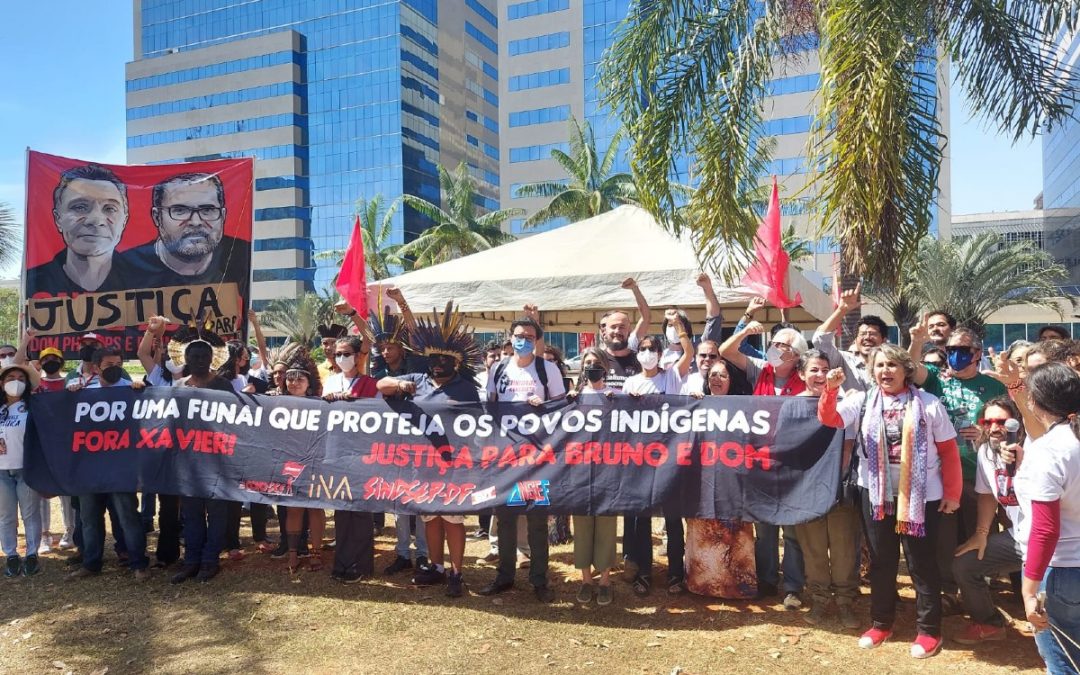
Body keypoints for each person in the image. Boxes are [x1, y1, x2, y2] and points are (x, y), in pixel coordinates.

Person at [819, 344, 962, 659]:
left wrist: (952, 493)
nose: (886, 371)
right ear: (873, 370)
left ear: (906, 370)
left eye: (893, 365)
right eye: (880, 365)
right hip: (877, 494)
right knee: (882, 562)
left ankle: (929, 631)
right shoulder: (863, 400)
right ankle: (881, 623)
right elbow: (831, 420)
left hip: (922, 497)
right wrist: (830, 390)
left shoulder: (929, 404)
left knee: (921, 564)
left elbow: (949, 452)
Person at [378, 302, 484, 597]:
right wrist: (400, 383)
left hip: (453, 463)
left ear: (457, 362)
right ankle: (436, 567)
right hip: (421, 462)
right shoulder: (417, 380)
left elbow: (475, 424)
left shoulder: (466, 388)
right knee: (430, 516)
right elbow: (381, 384)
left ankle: (456, 572)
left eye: (444, 360)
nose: (438, 363)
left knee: (452, 518)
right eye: (433, 358)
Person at [908, 318, 1007, 612]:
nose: (955, 354)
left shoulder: (992, 386)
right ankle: (949, 590)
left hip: (980, 473)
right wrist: (916, 340)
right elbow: (912, 368)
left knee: (977, 531)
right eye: (951, 348)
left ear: (976, 354)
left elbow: (1008, 426)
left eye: (962, 349)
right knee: (944, 536)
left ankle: (976, 587)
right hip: (943, 474)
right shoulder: (938, 380)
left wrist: (985, 434)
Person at [719, 319, 808, 608]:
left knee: (793, 531)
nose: (775, 349)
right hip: (761, 464)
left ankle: (794, 586)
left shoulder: (805, 378)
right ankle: (767, 580)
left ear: (796, 354)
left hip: (794, 467)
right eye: (774, 344)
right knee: (765, 529)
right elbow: (725, 350)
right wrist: (744, 332)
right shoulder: (760, 370)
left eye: (782, 345)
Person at [480, 314, 565, 602]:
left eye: (529, 337)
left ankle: (539, 580)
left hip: (536, 457)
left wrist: (544, 406)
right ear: (510, 336)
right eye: (519, 335)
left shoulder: (548, 369)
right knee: (504, 517)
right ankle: (504, 576)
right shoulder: (499, 368)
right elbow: (489, 405)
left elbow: (563, 407)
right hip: (505, 456)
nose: (523, 340)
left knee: (537, 520)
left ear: (537, 340)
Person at [1014, 362, 1080, 672]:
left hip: (1061, 570)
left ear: (1035, 401)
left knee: (1063, 664)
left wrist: (1028, 591)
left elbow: (1045, 529)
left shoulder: (1049, 451)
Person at [66, 347, 149, 583]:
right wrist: (70, 394)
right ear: (95, 367)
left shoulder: (128, 390)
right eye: (109, 364)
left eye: (119, 363)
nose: (115, 368)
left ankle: (139, 563)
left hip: (121, 468)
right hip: (88, 468)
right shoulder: (82, 392)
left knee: (127, 516)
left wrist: (141, 392)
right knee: (89, 518)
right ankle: (91, 564)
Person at [622, 328, 694, 597]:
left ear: (661, 354)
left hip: (669, 459)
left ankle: (676, 573)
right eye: (642, 349)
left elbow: (688, 353)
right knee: (641, 520)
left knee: (673, 520)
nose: (647, 354)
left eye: (652, 349)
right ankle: (644, 573)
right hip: (639, 460)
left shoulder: (671, 377)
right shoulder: (631, 384)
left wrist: (679, 326)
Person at [792, 349, 861, 629]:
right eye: (813, 370)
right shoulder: (790, 406)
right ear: (801, 374)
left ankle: (846, 602)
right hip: (806, 491)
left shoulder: (848, 403)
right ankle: (819, 600)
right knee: (813, 549)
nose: (820, 375)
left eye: (824, 369)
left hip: (839, 488)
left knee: (845, 549)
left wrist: (836, 478)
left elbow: (849, 445)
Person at [951, 397, 1026, 645]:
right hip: (1019, 538)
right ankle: (989, 624)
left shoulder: (1034, 449)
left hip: (1054, 542)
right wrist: (981, 532)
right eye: (988, 421)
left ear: (1017, 423)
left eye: (1002, 421)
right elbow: (986, 495)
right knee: (966, 564)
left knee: (1049, 600)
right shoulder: (984, 451)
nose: (995, 428)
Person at [683, 359, 758, 600]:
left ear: (731, 381)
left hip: (733, 481)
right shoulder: (697, 404)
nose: (716, 379)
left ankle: (737, 586)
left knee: (734, 534)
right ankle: (701, 583)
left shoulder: (743, 407)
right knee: (704, 534)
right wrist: (690, 403)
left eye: (722, 375)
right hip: (702, 480)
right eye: (712, 375)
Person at [168, 329, 237, 584]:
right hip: (187, 465)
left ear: (212, 359)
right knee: (191, 515)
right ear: (185, 359)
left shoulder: (222, 385)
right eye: (193, 355)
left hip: (217, 462)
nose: (198, 359)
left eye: (203, 355)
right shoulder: (177, 388)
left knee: (216, 514)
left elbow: (234, 420)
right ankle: (191, 562)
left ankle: (210, 561)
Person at [121, 172, 250, 288]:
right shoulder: (122, 269)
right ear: (157, 217)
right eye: (180, 211)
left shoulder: (243, 257)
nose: (195, 222)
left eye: (207, 210)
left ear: (223, 216)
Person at [321, 334, 380, 583]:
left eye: (346, 353)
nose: (341, 358)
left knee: (361, 510)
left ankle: (361, 563)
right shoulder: (330, 382)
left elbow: (378, 417)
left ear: (357, 356)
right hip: (335, 450)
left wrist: (354, 403)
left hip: (361, 453)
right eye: (338, 354)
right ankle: (342, 561)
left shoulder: (370, 384)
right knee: (342, 509)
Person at [565, 347, 619, 605]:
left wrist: (622, 400)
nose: (591, 367)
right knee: (583, 526)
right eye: (587, 363)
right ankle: (586, 580)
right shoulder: (573, 397)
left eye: (596, 362)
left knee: (607, 525)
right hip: (580, 470)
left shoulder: (615, 396)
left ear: (605, 367)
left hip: (608, 470)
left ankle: (605, 580)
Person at [27, 163, 131, 295]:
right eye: (80, 207)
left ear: (124, 221)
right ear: (58, 219)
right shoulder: (33, 282)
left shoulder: (146, 279)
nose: (95, 220)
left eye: (109, 208)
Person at [0, 362, 42, 577]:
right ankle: (11, 555)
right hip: (1, 472)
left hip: (26, 468)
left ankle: (32, 554)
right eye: (10, 378)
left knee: (30, 514)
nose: (15, 382)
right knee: (6, 516)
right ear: (1, 383)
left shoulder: (34, 407)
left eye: (20, 378)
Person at [811, 282, 888, 392]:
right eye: (862, 334)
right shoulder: (843, 361)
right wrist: (842, 310)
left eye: (873, 334)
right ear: (855, 341)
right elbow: (820, 340)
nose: (867, 338)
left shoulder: (890, 365)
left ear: (883, 340)